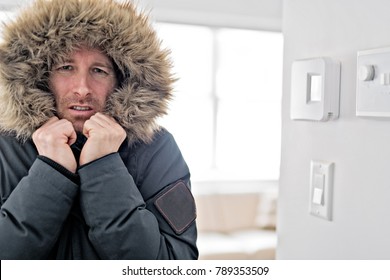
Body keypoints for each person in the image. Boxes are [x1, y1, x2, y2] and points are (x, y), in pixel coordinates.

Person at [0, 0, 198, 260]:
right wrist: (51, 170)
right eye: (66, 67)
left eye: (99, 70)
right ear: (40, 75)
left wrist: (103, 167)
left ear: (122, 81)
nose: (82, 88)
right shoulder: (5, 146)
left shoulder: (157, 148)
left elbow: (176, 265)